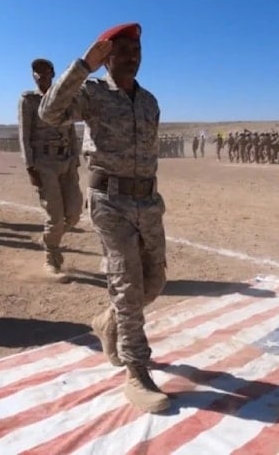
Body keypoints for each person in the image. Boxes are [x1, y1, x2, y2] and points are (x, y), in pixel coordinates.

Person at [38, 22, 170, 414]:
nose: (132, 57)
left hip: (148, 201)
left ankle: (107, 321)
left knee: (155, 281)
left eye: (136, 50)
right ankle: (137, 370)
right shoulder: (93, 95)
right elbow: (49, 112)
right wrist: (82, 66)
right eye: (123, 50)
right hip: (110, 201)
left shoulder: (149, 102)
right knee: (128, 284)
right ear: (107, 58)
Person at [18, 58, 83, 278]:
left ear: (53, 73)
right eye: (36, 71)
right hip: (43, 163)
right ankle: (51, 258)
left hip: (66, 161)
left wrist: (75, 158)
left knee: (74, 213)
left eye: (44, 71)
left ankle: (49, 239)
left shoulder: (64, 97)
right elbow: (24, 134)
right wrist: (29, 166)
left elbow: (72, 131)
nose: (40, 75)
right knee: (55, 216)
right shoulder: (28, 100)